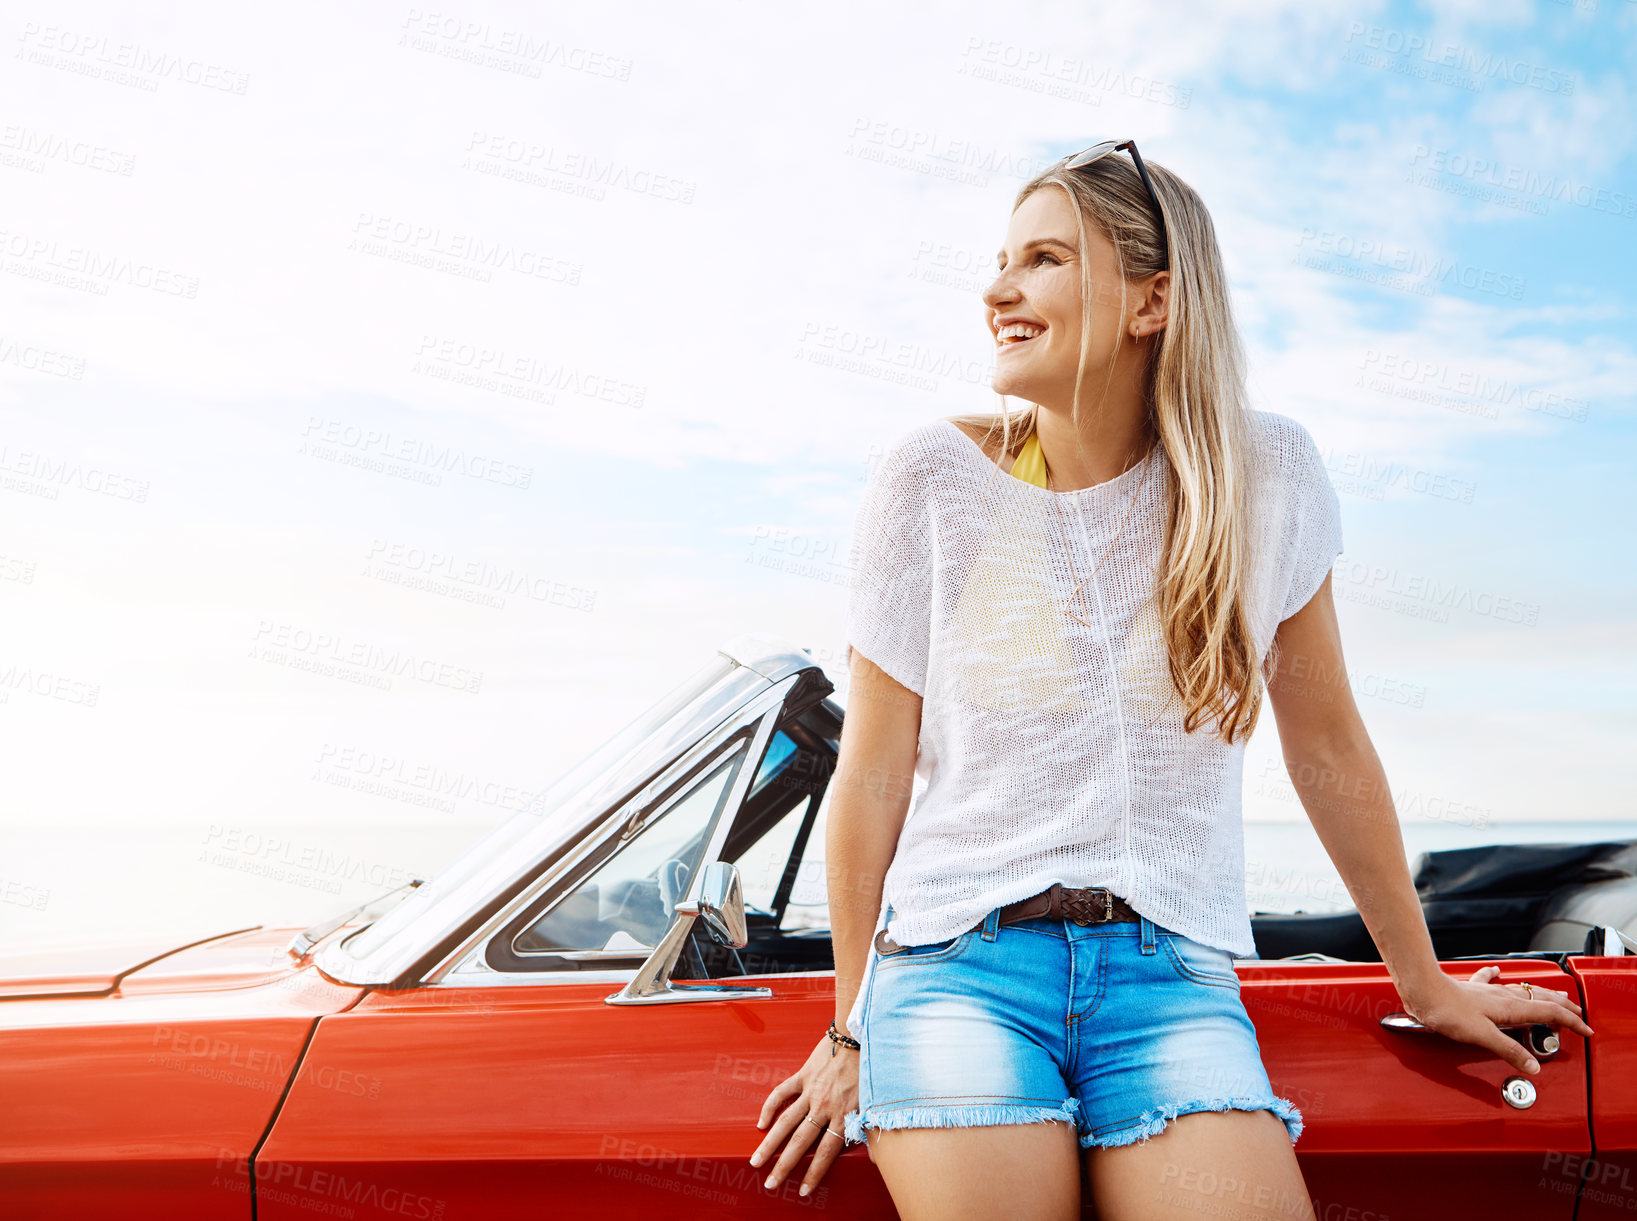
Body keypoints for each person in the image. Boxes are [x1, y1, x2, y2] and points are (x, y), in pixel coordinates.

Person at [746, 141, 1593, 1221]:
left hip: (1168, 983)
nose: (996, 289)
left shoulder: (1266, 478)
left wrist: (1420, 981)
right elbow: (873, 772)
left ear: (1152, 302)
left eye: (1042, 259)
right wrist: (849, 1022)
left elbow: (1326, 744)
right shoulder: (931, 481)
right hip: (959, 975)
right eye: (1001, 260)